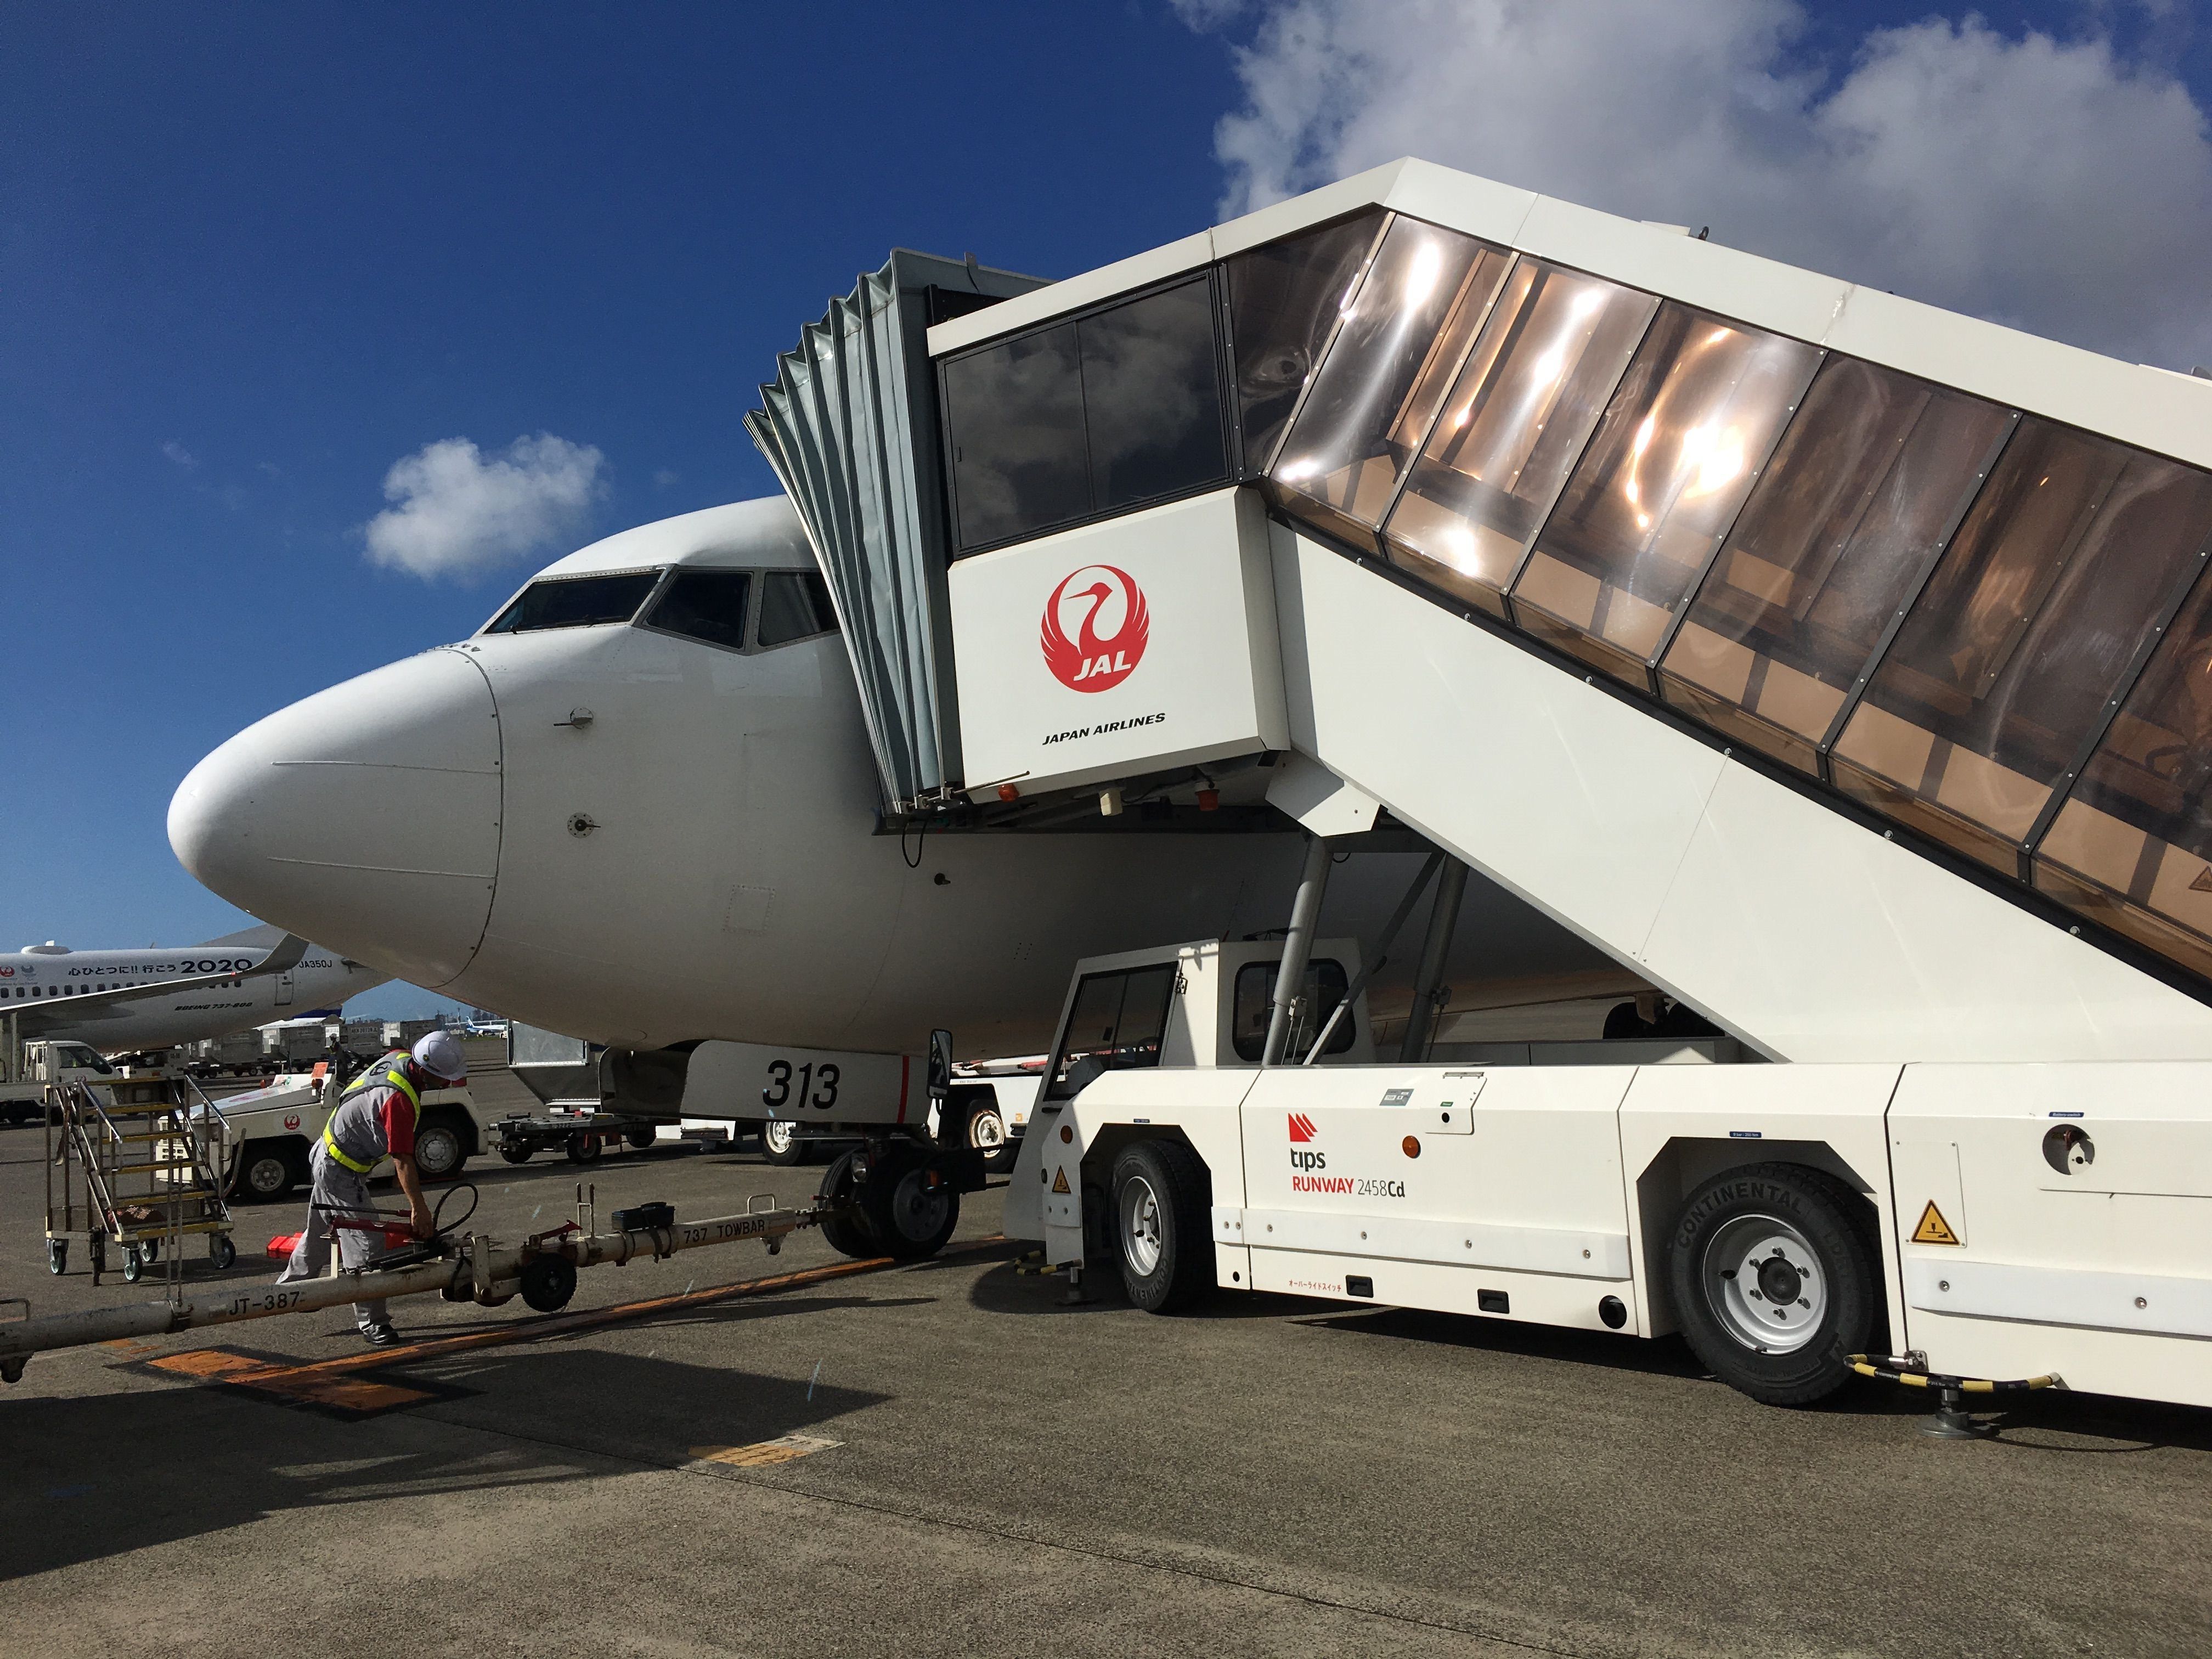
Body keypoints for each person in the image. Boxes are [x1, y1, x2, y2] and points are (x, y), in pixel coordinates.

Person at [276, 1029, 469, 1347]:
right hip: (340, 1169)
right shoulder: (398, 1100)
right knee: (367, 1246)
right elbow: (403, 1161)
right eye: (443, 1077)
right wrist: (419, 1210)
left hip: (331, 1156)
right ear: (423, 1069)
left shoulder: (399, 1059)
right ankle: (373, 1323)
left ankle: (282, 1295)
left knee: (320, 1236)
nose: (447, 1083)